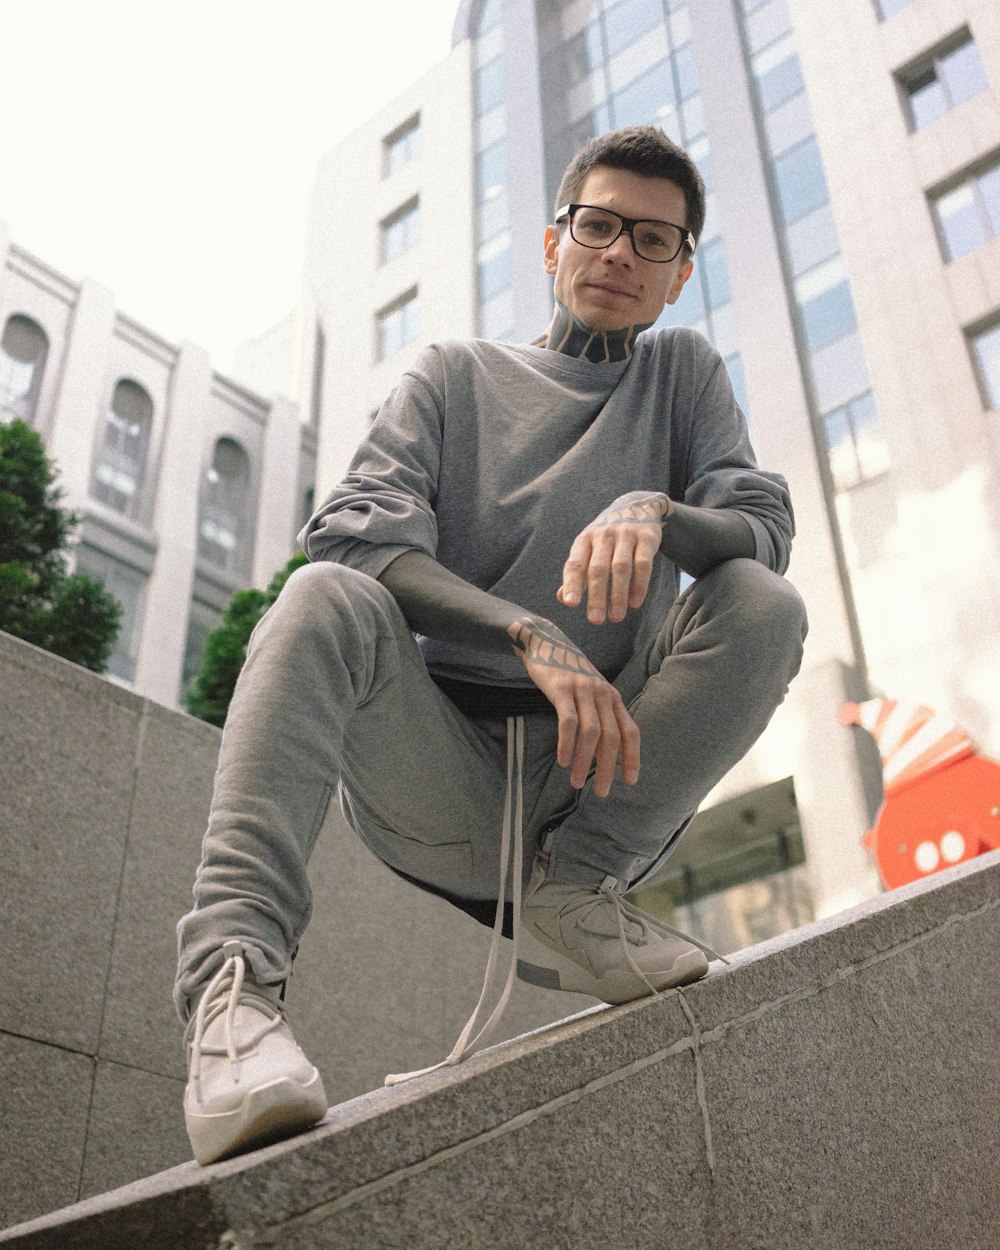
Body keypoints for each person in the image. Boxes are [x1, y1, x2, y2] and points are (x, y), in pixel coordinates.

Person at [176, 125, 807, 1166]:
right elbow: (350, 535)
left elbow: (759, 524)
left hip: (593, 788)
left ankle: (573, 895)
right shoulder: (452, 374)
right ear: (556, 243)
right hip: (441, 772)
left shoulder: (678, 373)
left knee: (761, 599)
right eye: (597, 225)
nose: (618, 254)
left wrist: (654, 506)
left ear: (680, 277)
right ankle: (232, 1001)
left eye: (652, 241)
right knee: (323, 594)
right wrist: (528, 630)